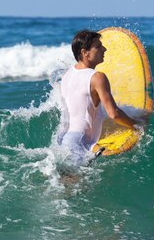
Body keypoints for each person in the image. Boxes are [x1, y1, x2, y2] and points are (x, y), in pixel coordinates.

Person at [58, 29, 138, 165]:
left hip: (62, 139)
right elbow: (114, 114)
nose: (104, 49)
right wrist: (136, 125)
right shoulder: (97, 77)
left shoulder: (67, 74)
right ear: (85, 53)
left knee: (63, 182)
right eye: (98, 46)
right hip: (79, 142)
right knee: (78, 184)